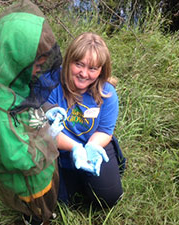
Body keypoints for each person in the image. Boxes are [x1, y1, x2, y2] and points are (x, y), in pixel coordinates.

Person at [0, 1, 66, 224]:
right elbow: (15, 156)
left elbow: (29, 107)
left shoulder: (16, 84)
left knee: (48, 200)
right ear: (15, 62)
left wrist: (47, 113)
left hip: (41, 173)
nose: (39, 72)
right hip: (30, 183)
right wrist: (48, 142)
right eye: (36, 65)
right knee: (38, 212)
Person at [47, 32, 125, 208]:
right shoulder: (51, 83)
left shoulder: (108, 94)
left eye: (92, 68)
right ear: (69, 61)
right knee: (57, 201)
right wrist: (74, 147)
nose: (84, 73)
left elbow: (105, 131)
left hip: (92, 146)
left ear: (101, 70)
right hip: (55, 147)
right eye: (79, 64)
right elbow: (46, 130)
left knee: (109, 197)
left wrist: (91, 147)